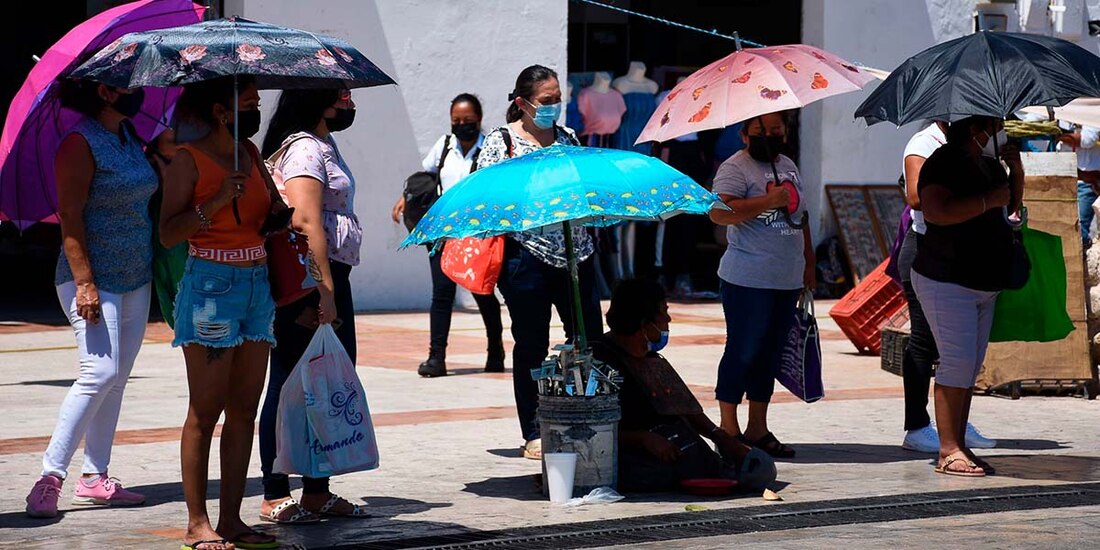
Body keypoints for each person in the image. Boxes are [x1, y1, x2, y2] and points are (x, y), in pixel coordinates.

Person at [160, 76, 283, 550]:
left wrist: (278, 209)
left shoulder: (250, 155)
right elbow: (169, 233)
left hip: (256, 285)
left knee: (244, 410)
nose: (256, 112)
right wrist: (214, 202)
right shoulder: (186, 162)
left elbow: (267, 213)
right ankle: (198, 522)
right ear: (220, 111)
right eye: (249, 104)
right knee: (205, 410)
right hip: (210, 286)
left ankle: (231, 519)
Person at [25, 79, 155, 519]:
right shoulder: (79, 143)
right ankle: (50, 477)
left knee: (118, 377)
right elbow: (70, 215)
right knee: (98, 372)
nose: (138, 89)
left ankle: (95, 476)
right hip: (92, 279)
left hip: (136, 274)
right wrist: (85, 282)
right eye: (128, 84)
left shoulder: (129, 137)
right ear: (105, 92)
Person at [476, 64, 602, 460]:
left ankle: (586, 413)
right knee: (531, 343)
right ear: (522, 103)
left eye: (557, 100)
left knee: (589, 339)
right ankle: (533, 430)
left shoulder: (567, 137)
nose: (553, 108)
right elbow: (487, 197)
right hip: (526, 257)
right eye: (546, 102)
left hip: (576, 253)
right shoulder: (502, 142)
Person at [254, 88, 368, 524]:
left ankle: (317, 491)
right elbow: (305, 222)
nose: (350, 105)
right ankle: (274, 491)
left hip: (331, 276)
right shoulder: (303, 149)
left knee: (326, 384)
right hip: (310, 279)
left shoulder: (323, 143)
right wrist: (322, 292)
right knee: (289, 385)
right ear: (318, 100)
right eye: (343, 96)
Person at [912, 115, 1023, 477]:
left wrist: (1015, 171)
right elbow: (935, 211)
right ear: (976, 133)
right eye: (993, 129)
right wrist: (985, 201)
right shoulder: (942, 164)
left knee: (970, 366)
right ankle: (948, 450)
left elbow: (1008, 206)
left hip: (983, 281)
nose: (998, 134)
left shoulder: (989, 165)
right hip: (947, 278)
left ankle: (959, 443)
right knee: (956, 362)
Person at [592, 279, 776, 492]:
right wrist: (642, 439)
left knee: (760, 467)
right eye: (663, 311)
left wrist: (720, 436)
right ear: (644, 323)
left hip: (670, 444)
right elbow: (585, 431)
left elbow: (682, 406)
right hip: (622, 455)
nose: (668, 318)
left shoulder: (651, 359)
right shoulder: (597, 361)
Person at [708, 112, 814, 459]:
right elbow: (719, 213)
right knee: (743, 350)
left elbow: (802, 217)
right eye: (760, 131)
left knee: (769, 354)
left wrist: (808, 263)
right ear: (744, 134)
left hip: (785, 277)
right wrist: (767, 201)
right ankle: (728, 428)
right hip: (747, 278)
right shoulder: (735, 168)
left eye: (776, 130)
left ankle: (758, 427)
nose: (769, 136)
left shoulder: (788, 165)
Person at [390, 93, 506, 378]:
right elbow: (426, 175)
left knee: (482, 292)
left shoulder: (489, 149)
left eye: (467, 120)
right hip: (443, 232)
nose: (461, 125)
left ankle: (495, 350)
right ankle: (436, 357)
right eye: (456, 120)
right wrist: (406, 198)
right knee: (442, 294)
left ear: (478, 119)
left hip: (477, 232)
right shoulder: (444, 146)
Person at [899, 121, 997, 454]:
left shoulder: (982, 153)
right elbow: (916, 197)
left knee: (963, 352)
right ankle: (918, 425)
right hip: (929, 249)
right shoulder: (924, 144)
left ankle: (953, 423)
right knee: (926, 342)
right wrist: (979, 199)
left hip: (965, 254)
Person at [1056, 125, 1100, 246]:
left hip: (1089, 180)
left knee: (1079, 226)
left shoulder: (1087, 112)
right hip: (1078, 178)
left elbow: (1088, 139)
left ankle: (1084, 254)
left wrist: (1059, 136)